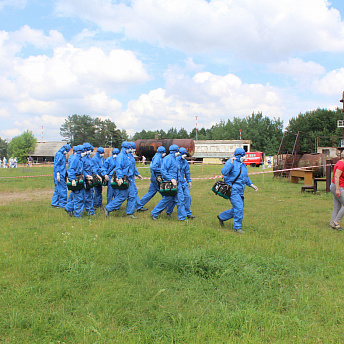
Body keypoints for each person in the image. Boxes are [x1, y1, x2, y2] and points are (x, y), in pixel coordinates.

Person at [217, 148, 258, 234]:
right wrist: (231, 163)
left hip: (241, 189)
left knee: (238, 208)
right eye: (243, 155)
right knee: (238, 207)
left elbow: (245, 177)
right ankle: (237, 227)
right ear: (239, 155)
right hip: (233, 190)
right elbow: (224, 172)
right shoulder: (230, 162)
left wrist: (251, 185)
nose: (245, 156)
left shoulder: (242, 164)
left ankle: (221, 217)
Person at [151, 145, 187, 221]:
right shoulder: (168, 159)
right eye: (177, 151)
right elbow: (163, 171)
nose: (178, 152)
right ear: (174, 151)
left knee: (180, 200)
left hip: (177, 183)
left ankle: (182, 218)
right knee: (167, 199)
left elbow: (178, 172)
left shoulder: (175, 159)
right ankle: (154, 213)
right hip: (170, 183)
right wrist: (171, 179)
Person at [104, 141, 137, 218]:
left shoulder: (128, 156)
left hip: (130, 179)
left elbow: (131, 167)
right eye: (128, 148)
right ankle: (108, 208)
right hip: (124, 179)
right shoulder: (120, 156)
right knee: (122, 196)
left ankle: (129, 213)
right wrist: (120, 178)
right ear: (124, 148)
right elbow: (118, 168)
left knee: (132, 196)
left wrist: (136, 174)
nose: (130, 149)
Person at [65, 145, 85, 218]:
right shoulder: (75, 159)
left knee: (79, 197)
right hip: (76, 179)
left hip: (80, 179)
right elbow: (71, 170)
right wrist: (72, 179)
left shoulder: (80, 159)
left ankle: (68, 207)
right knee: (79, 198)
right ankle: (78, 215)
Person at [128, 141, 147, 212]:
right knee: (123, 195)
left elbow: (133, 167)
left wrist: (137, 174)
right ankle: (110, 208)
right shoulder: (127, 156)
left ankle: (139, 207)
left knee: (134, 192)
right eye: (133, 148)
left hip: (131, 177)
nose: (134, 150)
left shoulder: (130, 156)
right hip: (128, 177)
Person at [51, 144, 71, 208]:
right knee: (62, 189)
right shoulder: (60, 155)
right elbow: (57, 165)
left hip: (61, 173)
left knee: (57, 189)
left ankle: (54, 203)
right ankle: (63, 204)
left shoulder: (61, 154)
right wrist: (58, 174)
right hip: (60, 174)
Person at [330, 156, 344, 230]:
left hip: (335, 186)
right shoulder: (342, 164)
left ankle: (332, 224)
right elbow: (336, 176)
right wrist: (337, 189)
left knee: (337, 206)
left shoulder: (340, 162)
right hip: (338, 187)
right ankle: (336, 222)